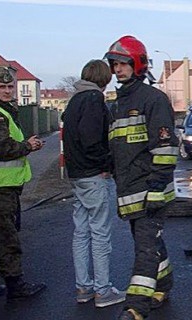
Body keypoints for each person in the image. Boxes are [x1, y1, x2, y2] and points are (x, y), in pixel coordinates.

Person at [104, 36, 179, 320]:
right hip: (130, 189)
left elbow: (165, 147)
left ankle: (136, 306)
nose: (118, 69)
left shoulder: (153, 99)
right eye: (115, 64)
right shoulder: (118, 103)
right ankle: (165, 282)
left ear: (138, 64)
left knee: (145, 248)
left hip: (150, 189)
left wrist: (158, 186)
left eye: (123, 63)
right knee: (149, 241)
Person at [62, 60, 126, 307]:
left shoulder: (74, 100)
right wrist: (106, 165)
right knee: (100, 234)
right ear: (104, 78)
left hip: (77, 175)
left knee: (81, 233)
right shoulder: (93, 100)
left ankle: (83, 288)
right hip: (93, 175)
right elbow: (92, 140)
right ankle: (103, 290)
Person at [0, 67, 46, 301]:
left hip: (1, 185)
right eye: (2, 87)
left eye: (10, 87)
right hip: (0, 186)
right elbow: (3, 149)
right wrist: (29, 146)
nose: (7, 91)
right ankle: (15, 286)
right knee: (7, 237)